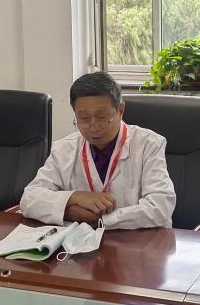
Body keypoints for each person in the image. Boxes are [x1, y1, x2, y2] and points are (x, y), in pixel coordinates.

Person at [20, 72, 175, 229]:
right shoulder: (64, 148)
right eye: (84, 118)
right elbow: (29, 199)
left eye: (101, 117)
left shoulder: (148, 144)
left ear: (120, 110)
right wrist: (74, 198)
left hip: (138, 240)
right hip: (81, 240)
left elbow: (160, 207)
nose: (93, 126)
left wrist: (103, 220)